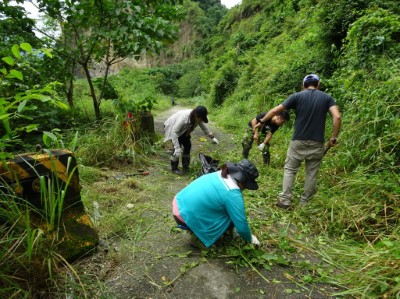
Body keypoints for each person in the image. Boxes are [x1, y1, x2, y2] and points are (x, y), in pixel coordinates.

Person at [257, 74, 341, 208]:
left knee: (290, 170)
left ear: (303, 85)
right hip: (317, 141)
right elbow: (337, 117)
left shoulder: (296, 96)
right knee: (311, 173)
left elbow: (274, 111)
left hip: (298, 141)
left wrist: (261, 121)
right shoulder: (327, 98)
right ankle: (305, 203)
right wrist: (333, 138)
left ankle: (285, 201)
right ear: (318, 84)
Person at [172, 159, 261, 249]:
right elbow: (241, 224)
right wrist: (250, 239)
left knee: (226, 210)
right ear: (243, 181)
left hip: (178, 202)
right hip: (184, 215)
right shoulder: (232, 193)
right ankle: (199, 238)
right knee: (230, 215)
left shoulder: (220, 174)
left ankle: (213, 231)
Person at [164, 106, 219, 174]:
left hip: (183, 130)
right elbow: (174, 132)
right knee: (177, 151)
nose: (201, 120)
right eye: (201, 118)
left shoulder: (197, 117)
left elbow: (204, 128)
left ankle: (185, 166)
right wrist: (177, 147)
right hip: (173, 128)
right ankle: (174, 168)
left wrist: (212, 137)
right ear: (196, 115)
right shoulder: (184, 118)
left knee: (187, 145)